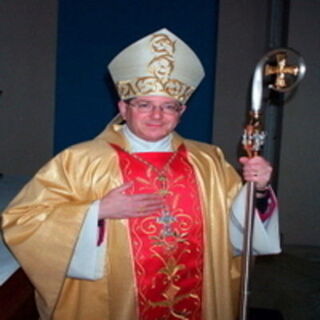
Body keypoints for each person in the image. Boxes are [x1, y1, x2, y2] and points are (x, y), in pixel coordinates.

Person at [1, 28, 280, 320]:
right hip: (116, 300)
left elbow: (238, 225)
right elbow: (23, 220)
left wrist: (258, 191)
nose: (156, 116)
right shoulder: (81, 159)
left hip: (196, 296)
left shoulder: (208, 159)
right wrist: (96, 211)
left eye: (168, 107)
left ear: (181, 111)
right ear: (124, 107)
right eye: (144, 104)